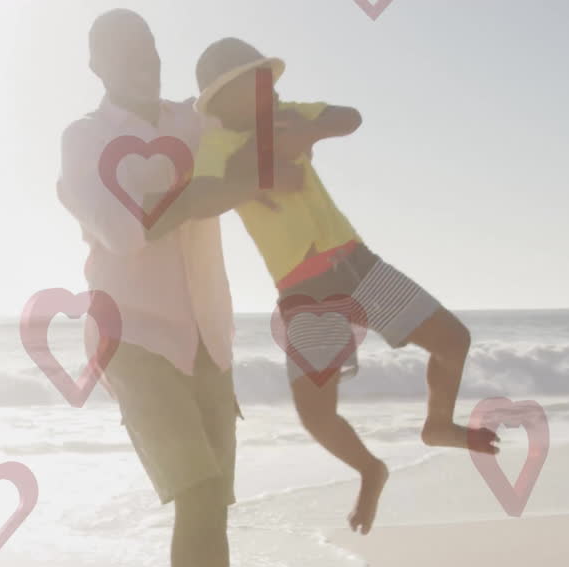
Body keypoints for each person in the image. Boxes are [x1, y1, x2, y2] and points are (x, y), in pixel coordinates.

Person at [56, 11, 299, 567]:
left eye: (152, 49)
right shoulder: (85, 140)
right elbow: (123, 232)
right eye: (127, 52)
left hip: (208, 337)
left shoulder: (191, 123)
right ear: (98, 64)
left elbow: (253, 148)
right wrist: (199, 195)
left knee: (213, 511)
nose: (145, 60)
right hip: (132, 339)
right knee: (195, 496)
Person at [191, 37, 501, 536]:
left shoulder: (289, 114)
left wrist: (308, 131)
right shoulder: (221, 146)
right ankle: (369, 469)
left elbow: (349, 116)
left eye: (268, 83)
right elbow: (205, 195)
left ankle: (438, 425)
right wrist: (261, 168)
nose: (268, 93)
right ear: (223, 101)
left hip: (357, 264)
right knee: (315, 414)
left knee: (453, 341)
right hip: (305, 290)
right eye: (254, 86)